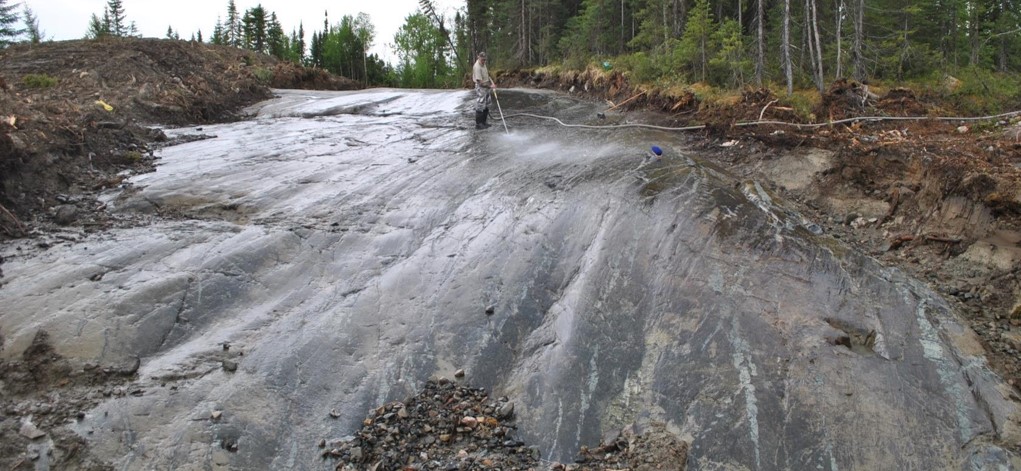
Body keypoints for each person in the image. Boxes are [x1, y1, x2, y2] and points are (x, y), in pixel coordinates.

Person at [472, 52, 496, 129]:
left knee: (486, 104)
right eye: (482, 60)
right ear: (478, 57)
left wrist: (492, 83)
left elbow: (487, 75)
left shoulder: (484, 64)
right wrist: (490, 86)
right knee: (480, 105)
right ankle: (479, 124)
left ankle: (484, 122)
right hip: (481, 87)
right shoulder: (477, 67)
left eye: (485, 60)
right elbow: (480, 82)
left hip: (486, 86)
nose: (484, 61)